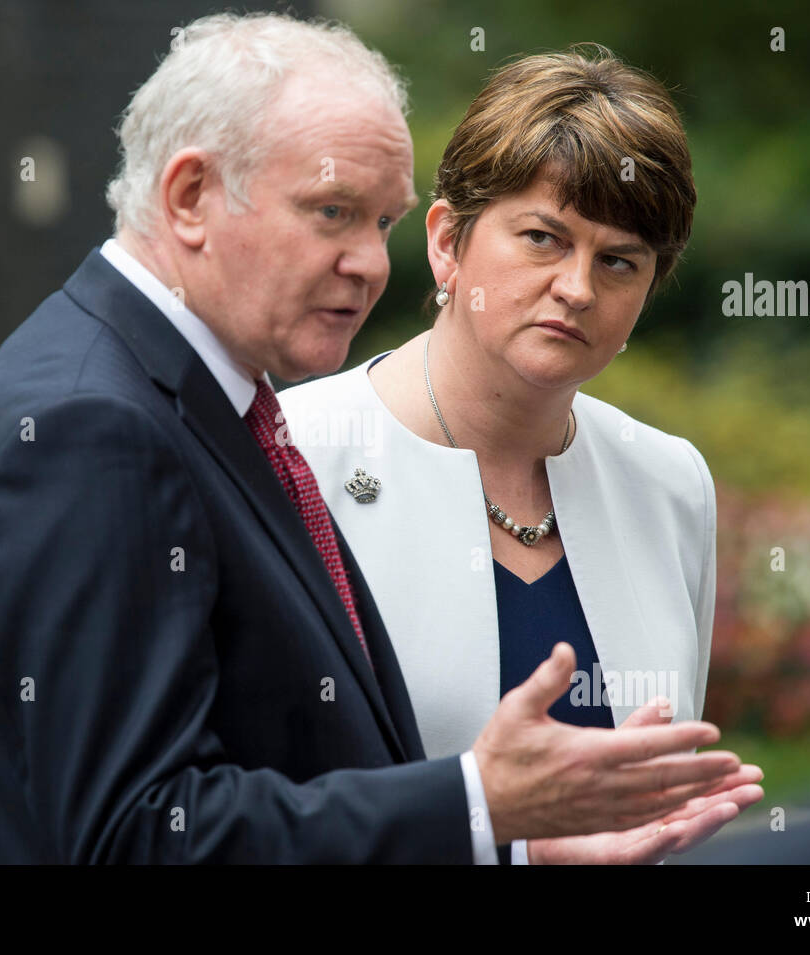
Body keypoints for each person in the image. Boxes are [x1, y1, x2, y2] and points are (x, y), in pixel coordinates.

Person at [0, 15, 741, 864]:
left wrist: (517, 850)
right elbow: (136, 832)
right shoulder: (94, 427)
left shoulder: (211, 411)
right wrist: (479, 806)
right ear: (190, 196)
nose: (369, 264)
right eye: (332, 213)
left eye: (379, 223)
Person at [279, 45, 763, 864]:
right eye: (543, 237)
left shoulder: (669, 481)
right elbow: (245, 812)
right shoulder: (293, 460)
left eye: (619, 260)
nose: (577, 286)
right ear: (446, 243)